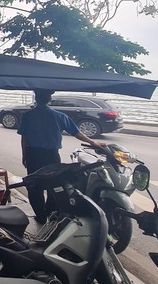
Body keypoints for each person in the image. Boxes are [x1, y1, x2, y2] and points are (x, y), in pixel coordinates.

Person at [18, 89, 105, 222]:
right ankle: (50, 212)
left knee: (34, 186)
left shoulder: (28, 116)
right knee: (55, 185)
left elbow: (24, 138)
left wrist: (24, 156)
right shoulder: (59, 116)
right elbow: (77, 133)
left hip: (33, 155)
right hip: (52, 156)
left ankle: (40, 216)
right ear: (49, 99)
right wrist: (94, 143)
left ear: (36, 98)